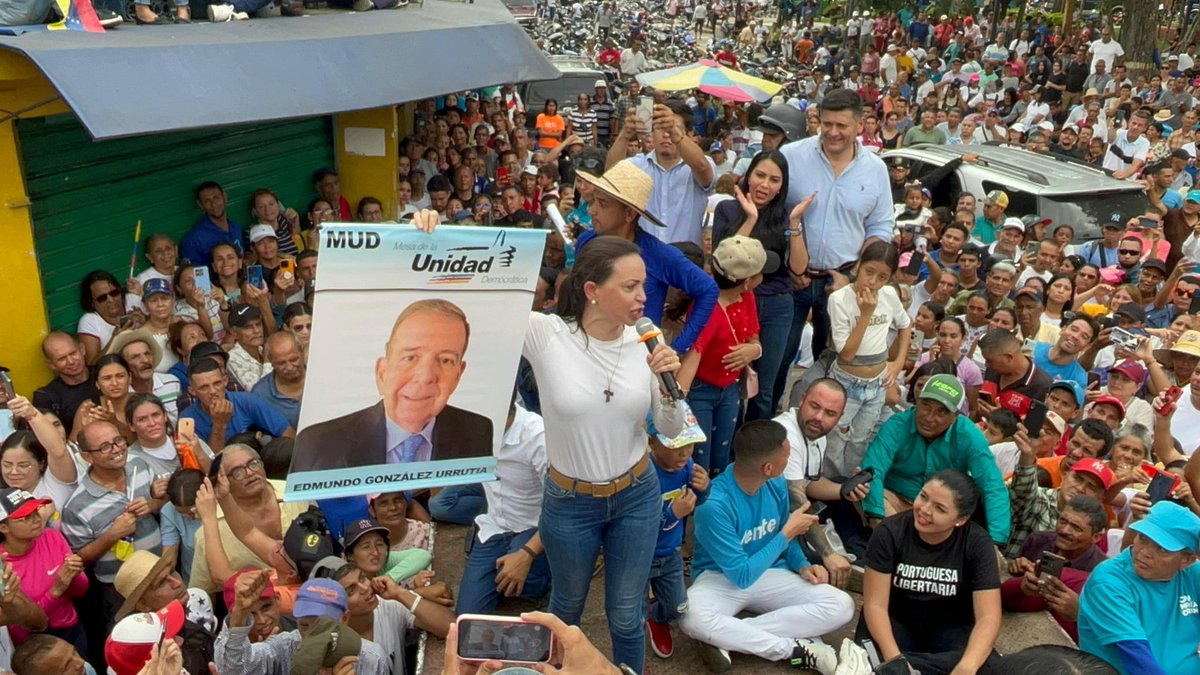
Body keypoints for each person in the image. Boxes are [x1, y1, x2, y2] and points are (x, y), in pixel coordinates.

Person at [519, 234, 687, 672]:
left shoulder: (647, 343)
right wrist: (433, 233)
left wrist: (670, 390)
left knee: (627, 614)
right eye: (630, 286)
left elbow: (670, 431)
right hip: (569, 502)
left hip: (636, 494)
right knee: (566, 609)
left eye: (644, 285)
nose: (643, 296)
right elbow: (482, 303)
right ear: (592, 291)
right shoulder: (546, 333)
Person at [677, 420, 853, 673]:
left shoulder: (775, 482)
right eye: (787, 455)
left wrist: (802, 565)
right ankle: (794, 649)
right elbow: (742, 575)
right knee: (690, 616)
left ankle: (728, 638)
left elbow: (783, 536)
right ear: (768, 468)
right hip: (721, 578)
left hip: (771, 573)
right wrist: (787, 533)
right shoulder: (714, 504)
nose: (789, 460)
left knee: (842, 605)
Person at [780, 88, 893, 413]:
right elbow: (774, 214)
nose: (832, 132)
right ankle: (768, 426)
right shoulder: (792, 156)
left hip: (842, 282)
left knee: (835, 366)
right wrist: (791, 266)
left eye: (841, 126)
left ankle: (822, 435)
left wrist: (857, 278)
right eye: (826, 124)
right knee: (777, 359)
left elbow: (881, 227)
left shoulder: (875, 169)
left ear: (859, 125)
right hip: (791, 281)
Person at [291, 299, 493, 472]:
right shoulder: (318, 443)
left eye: (445, 360)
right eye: (410, 357)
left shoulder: (477, 432)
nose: (425, 376)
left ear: (458, 375)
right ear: (382, 372)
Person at [860, 470, 1004, 675]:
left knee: (989, 665)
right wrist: (895, 659)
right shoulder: (889, 532)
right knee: (870, 660)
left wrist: (966, 667)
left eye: (939, 508)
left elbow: (988, 617)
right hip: (895, 624)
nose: (924, 510)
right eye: (923, 497)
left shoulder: (977, 543)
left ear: (961, 519)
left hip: (951, 630)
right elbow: (875, 605)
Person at [574, 158, 718, 353]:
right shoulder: (586, 242)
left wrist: (678, 347)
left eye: (603, 204)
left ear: (629, 214)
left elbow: (708, 289)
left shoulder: (658, 253)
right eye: (592, 202)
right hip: (586, 348)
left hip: (636, 358)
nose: (592, 210)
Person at [713, 150, 812, 422]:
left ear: (783, 186)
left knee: (764, 388)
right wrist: (750, 219)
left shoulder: (785, 217)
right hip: (736, 301)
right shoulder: (727, 209)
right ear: (748, 175)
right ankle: (727, 443)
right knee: (731, 378)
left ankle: (755, 446)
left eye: (774, 180)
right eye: (760, 175)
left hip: (777, 305)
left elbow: (799, 268)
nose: (765, 185)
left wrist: (795, 223)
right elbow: (726, 261)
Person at [862, 374, 1011, 546]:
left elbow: (992, 485)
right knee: (863, 490)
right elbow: (873, 470)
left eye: (941, 412)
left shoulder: (969, 436)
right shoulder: (897, 425)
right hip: (894, 505)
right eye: (926, 406)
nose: (929, 417)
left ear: (955, 417)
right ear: (917, 401)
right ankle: (894, 544)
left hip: (941, 513)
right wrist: (876, 517)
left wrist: (995, 541)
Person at [676, 235, 772, 474]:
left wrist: (754, 350)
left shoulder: (746, 297)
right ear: (748, 281)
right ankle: (697, 505)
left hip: (730, 389)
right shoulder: (706, 309)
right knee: (699, 458)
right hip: (700, 391)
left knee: (723, 454)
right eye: (761, 274)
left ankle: (717, 502)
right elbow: (692, 357)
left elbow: (753, 337)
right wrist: (676, 404)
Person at [1079, 501, 1200, 674]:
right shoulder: (1109, 582)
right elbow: (1139, 661)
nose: (1144, 552)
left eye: (1162, 548)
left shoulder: (1192, 573)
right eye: (1143, 538)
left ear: (1186, 560)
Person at [456, 401, 551, 615]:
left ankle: (547, 578)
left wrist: (526, 554)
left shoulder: (538, 437)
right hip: (494, 527)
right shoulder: (470, 426)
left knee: (523, 582)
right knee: (468, 615)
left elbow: (563, 510)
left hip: (533, 528)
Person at [827, 241, 911, 467]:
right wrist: (866, 314)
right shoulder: (839, 299)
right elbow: (846, 354)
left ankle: (851, 484)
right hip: (847, 380)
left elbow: (905, 324)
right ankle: (830, 484)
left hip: (877, 381)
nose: (873, 282)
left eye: (882, 277)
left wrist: (898, 362)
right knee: (836, 435)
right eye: (869, 272)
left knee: (860, 439)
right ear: (859, 266)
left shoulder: (889, 295)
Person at [213, 573, 389, 675]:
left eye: (322, 626)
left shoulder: (371, 658)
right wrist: (239, 612)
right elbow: (233, 669)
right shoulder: (283, 647)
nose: (313, 635)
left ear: (345, 618)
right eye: (304, 626)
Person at [643, 418, 710, 659]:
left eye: (690, 444)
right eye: (675, 445)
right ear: (652, 442)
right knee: (630, 616)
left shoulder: (687, 465)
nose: (684, 453)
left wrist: (704, 489)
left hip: (670, 554)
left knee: (678, 607)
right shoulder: (644, 474)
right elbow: (638, 528)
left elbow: (696, 501)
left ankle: (657, 618)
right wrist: (673, 514)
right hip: (638, 557)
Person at [609, 98, 716, 246]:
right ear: (651, 132)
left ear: (690, 134)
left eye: (674, 128)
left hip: (685, 261)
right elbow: (610, 175)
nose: (667, 135)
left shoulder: (698, 165)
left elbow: (703, 168)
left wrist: (675, 132)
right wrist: (624, 135)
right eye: (660, 128)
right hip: (645, 260)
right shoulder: (639, 164)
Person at [0, 488, 86, 651]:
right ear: (4, 528)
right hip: (32, 644)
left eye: (36, 512)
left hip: (71, 629)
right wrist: (56, 590)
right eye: (25, 517)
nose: (36, 519)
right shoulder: (2, 563)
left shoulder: (52, 537)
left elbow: (81, 591)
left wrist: (75, 575)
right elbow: (20, 622)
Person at [112, 551, 215, 675]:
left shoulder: (198, 599)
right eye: (161, 583)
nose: (177, 583)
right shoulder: (139, 653)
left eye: (172, 571)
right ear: (143, 604)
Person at [181, 358, 293, 454]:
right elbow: (210, 466)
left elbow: (287, 432)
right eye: (204, 387)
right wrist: (219, 425)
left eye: (217, 383)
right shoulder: (186, 420)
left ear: (225, 381)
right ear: (192, 391)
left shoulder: (246, 401)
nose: (213, 391)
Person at [33, 332, 95, 435]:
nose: (71, 361)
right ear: (51, 364)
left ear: (82, 349)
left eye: (73, 353)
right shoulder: (46, 397)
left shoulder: (105, 375)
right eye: (62, 358)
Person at [249, 332, 305, 429]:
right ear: (271, 361)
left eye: (294, 359)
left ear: (302, 353)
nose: (289, 367)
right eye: (281, 363)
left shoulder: (322, 376)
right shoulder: (260, 394)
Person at [180, 182, 243, 268]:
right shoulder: (194, 240)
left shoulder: (235, 227)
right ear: (200, 205)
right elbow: (192, 275)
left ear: (224, 197)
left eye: (216, 198)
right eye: (207, 201)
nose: (214, 205)